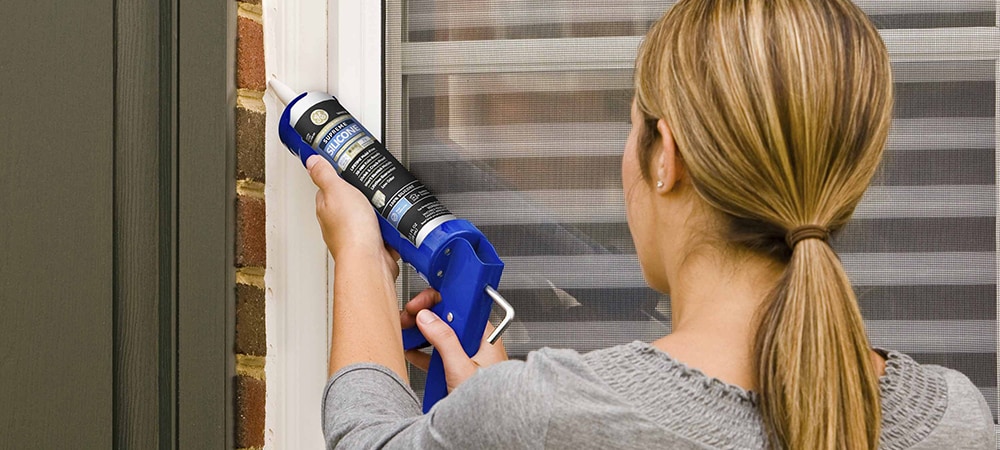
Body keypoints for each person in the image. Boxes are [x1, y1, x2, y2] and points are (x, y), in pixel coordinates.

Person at [306, 0, 996, 448]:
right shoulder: (957, 423)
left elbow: (369, 439)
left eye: (632, 124)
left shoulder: (552, 414)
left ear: (665, 157)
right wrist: (494, 406)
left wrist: (361, 254)